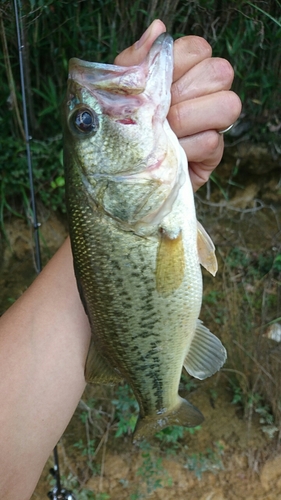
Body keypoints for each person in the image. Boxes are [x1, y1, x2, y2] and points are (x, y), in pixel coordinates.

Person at [0, 19, 241, 500]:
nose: (88, 118)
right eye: (86, 124)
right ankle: (161, 403)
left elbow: (112, 240)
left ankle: (159, 402)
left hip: (145, 220)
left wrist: (172, 177)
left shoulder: (128, 207)